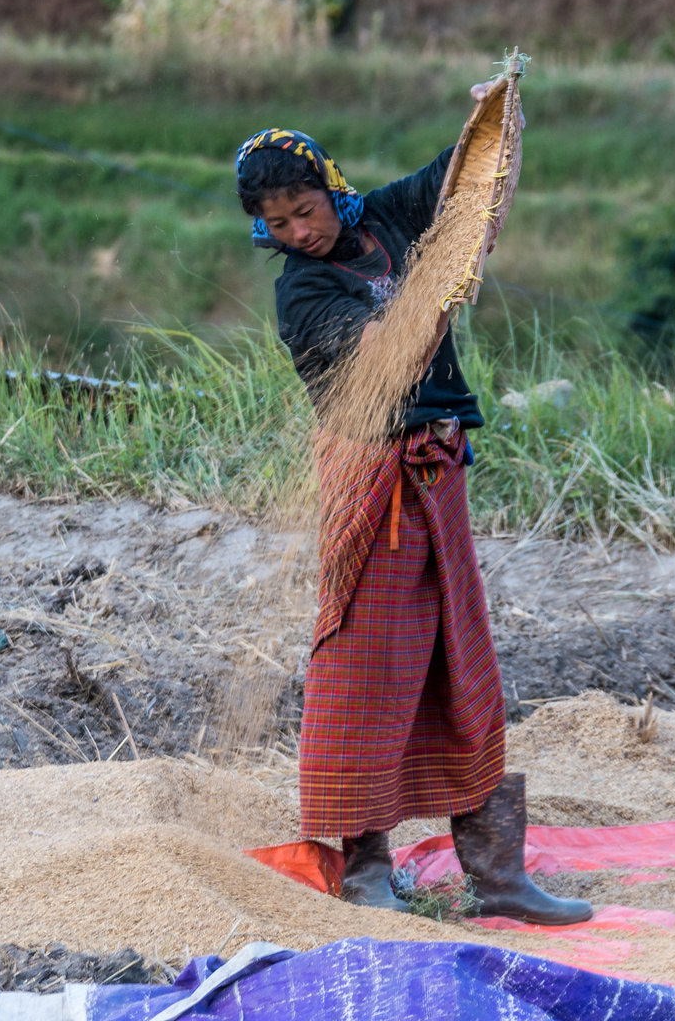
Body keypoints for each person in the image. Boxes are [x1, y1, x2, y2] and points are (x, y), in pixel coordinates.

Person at [234, 89, 592, 926]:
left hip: (437, 472)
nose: (300, 232)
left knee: (462, 661)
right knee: (366, 665)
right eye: (279, 223)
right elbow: (387, 351)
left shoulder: (386, 219)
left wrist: (498, 121)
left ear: (331, 187)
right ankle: (364, 871)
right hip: (372, 486)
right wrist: (438, 282)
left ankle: (497, 876)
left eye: (306, 209)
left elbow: (464, 188)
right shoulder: (305, 291)